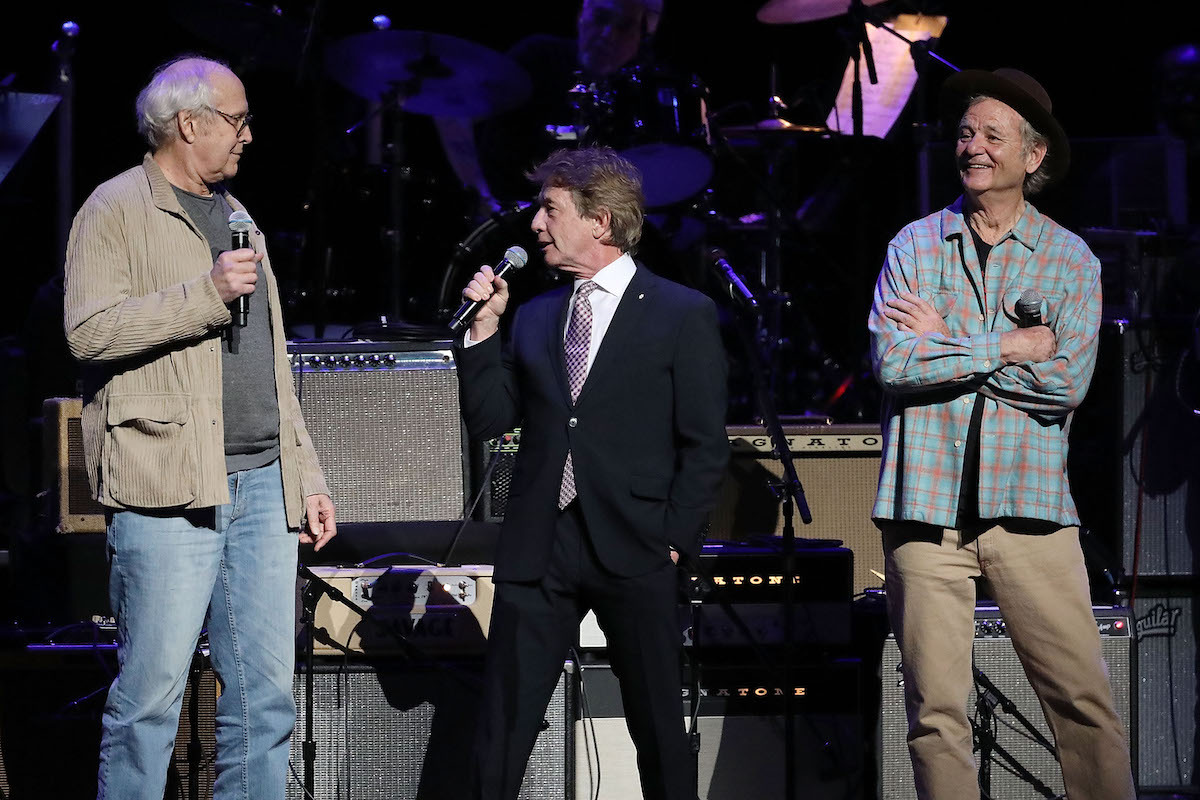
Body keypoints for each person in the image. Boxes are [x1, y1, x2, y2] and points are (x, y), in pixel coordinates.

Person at [63, 57, 336, 800]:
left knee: (263, 703)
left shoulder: (240, 216)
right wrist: (204, 294)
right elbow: (87, 333)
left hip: (259, 490)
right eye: (237, 118)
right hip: (167, 492)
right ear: (191, 124)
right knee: (150, 704)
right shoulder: (114, 209)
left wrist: (305, 475)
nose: (248, 134)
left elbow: (272, 364)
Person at [867, 68, 1136, 799]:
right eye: (965, 133)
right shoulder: (914, 248)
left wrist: (947, 341)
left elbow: (1066, 386)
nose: (973, 147)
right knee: (935, 713)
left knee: (1083, 707)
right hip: (925, 512)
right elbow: (895, 362)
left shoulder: (1071, 259)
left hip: (1032, 511)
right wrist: (1008, 346)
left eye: (992, 135)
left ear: (1034, 156)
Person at [455, 146, 728, 800]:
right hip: (540, 544)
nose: (535, 227)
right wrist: (482, 335)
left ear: (599, 221)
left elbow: (705, 445)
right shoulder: (537, 314)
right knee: (503, 727)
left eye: (550, 210)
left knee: (658, 726)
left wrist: (673, 540)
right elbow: (494, 422)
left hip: (635, 542)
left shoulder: (679, 312)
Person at [438, 0, 662, 212]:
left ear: (642, 36)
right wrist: (481, 197)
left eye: (624, 26)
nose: (608, 34)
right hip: (517, 224)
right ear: (581, 16)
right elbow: (451, 113)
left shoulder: (646, 91)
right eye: (601, 18)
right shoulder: (538, 58)